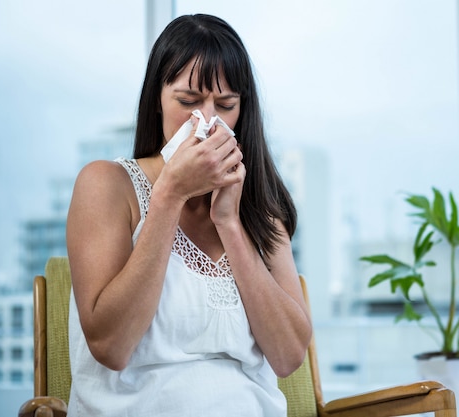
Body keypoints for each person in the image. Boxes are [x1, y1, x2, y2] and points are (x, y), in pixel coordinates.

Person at [66, 14, 312, 417]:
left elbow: (287, 357)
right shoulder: (106, 185)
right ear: (157, 101)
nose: (208, 121)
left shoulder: (260, 212)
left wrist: (230, 223)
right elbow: (111, 346)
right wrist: (169, 195)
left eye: (227, 105)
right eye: (188, 102)